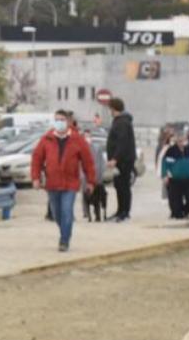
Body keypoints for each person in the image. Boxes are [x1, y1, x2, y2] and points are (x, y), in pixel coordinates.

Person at [30, 109, 96, 252]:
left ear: (68, 122)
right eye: (56, 119)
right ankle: (65, 232)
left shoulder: (78, 139)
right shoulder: (46, 139)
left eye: (62, 120)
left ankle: (64, 240)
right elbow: (36, 159)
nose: (59, 122)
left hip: (70, 184)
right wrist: (35, 178)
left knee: (67, 211)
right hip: (52, 184)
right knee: (57, 214)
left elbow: (88, 162)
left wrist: (91, 181)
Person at [105, 97, 137, 223]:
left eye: (110, 108)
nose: (109, 111)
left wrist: (115, 158)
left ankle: (125, 212)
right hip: (120, 160)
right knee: (119, 185)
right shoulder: (119, 121)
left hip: (124, 160)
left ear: (114, 108)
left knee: (123, 186)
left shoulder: (122, 122)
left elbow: (122, 142)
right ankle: (120, 210)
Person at [161, 132, 189, 220]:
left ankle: (186, 211)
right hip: (175, 179)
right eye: (179, 140)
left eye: (183, 140)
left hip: (188, 178)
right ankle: (177, 213)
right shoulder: (171, 151)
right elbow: (165, 164)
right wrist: (165, 175)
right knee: (175, 198)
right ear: (176, 141)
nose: (181, 142)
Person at [81, 124, 108, 222]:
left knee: (96, 197)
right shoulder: (80, 148)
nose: (87, 138)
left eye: (89, 136)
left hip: (96, 177)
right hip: (84, 177)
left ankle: (97, 215)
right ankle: (86, 214)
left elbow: (102, 163)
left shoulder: (97, 148)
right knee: (85, 195)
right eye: (85, 136)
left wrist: (100, 175)